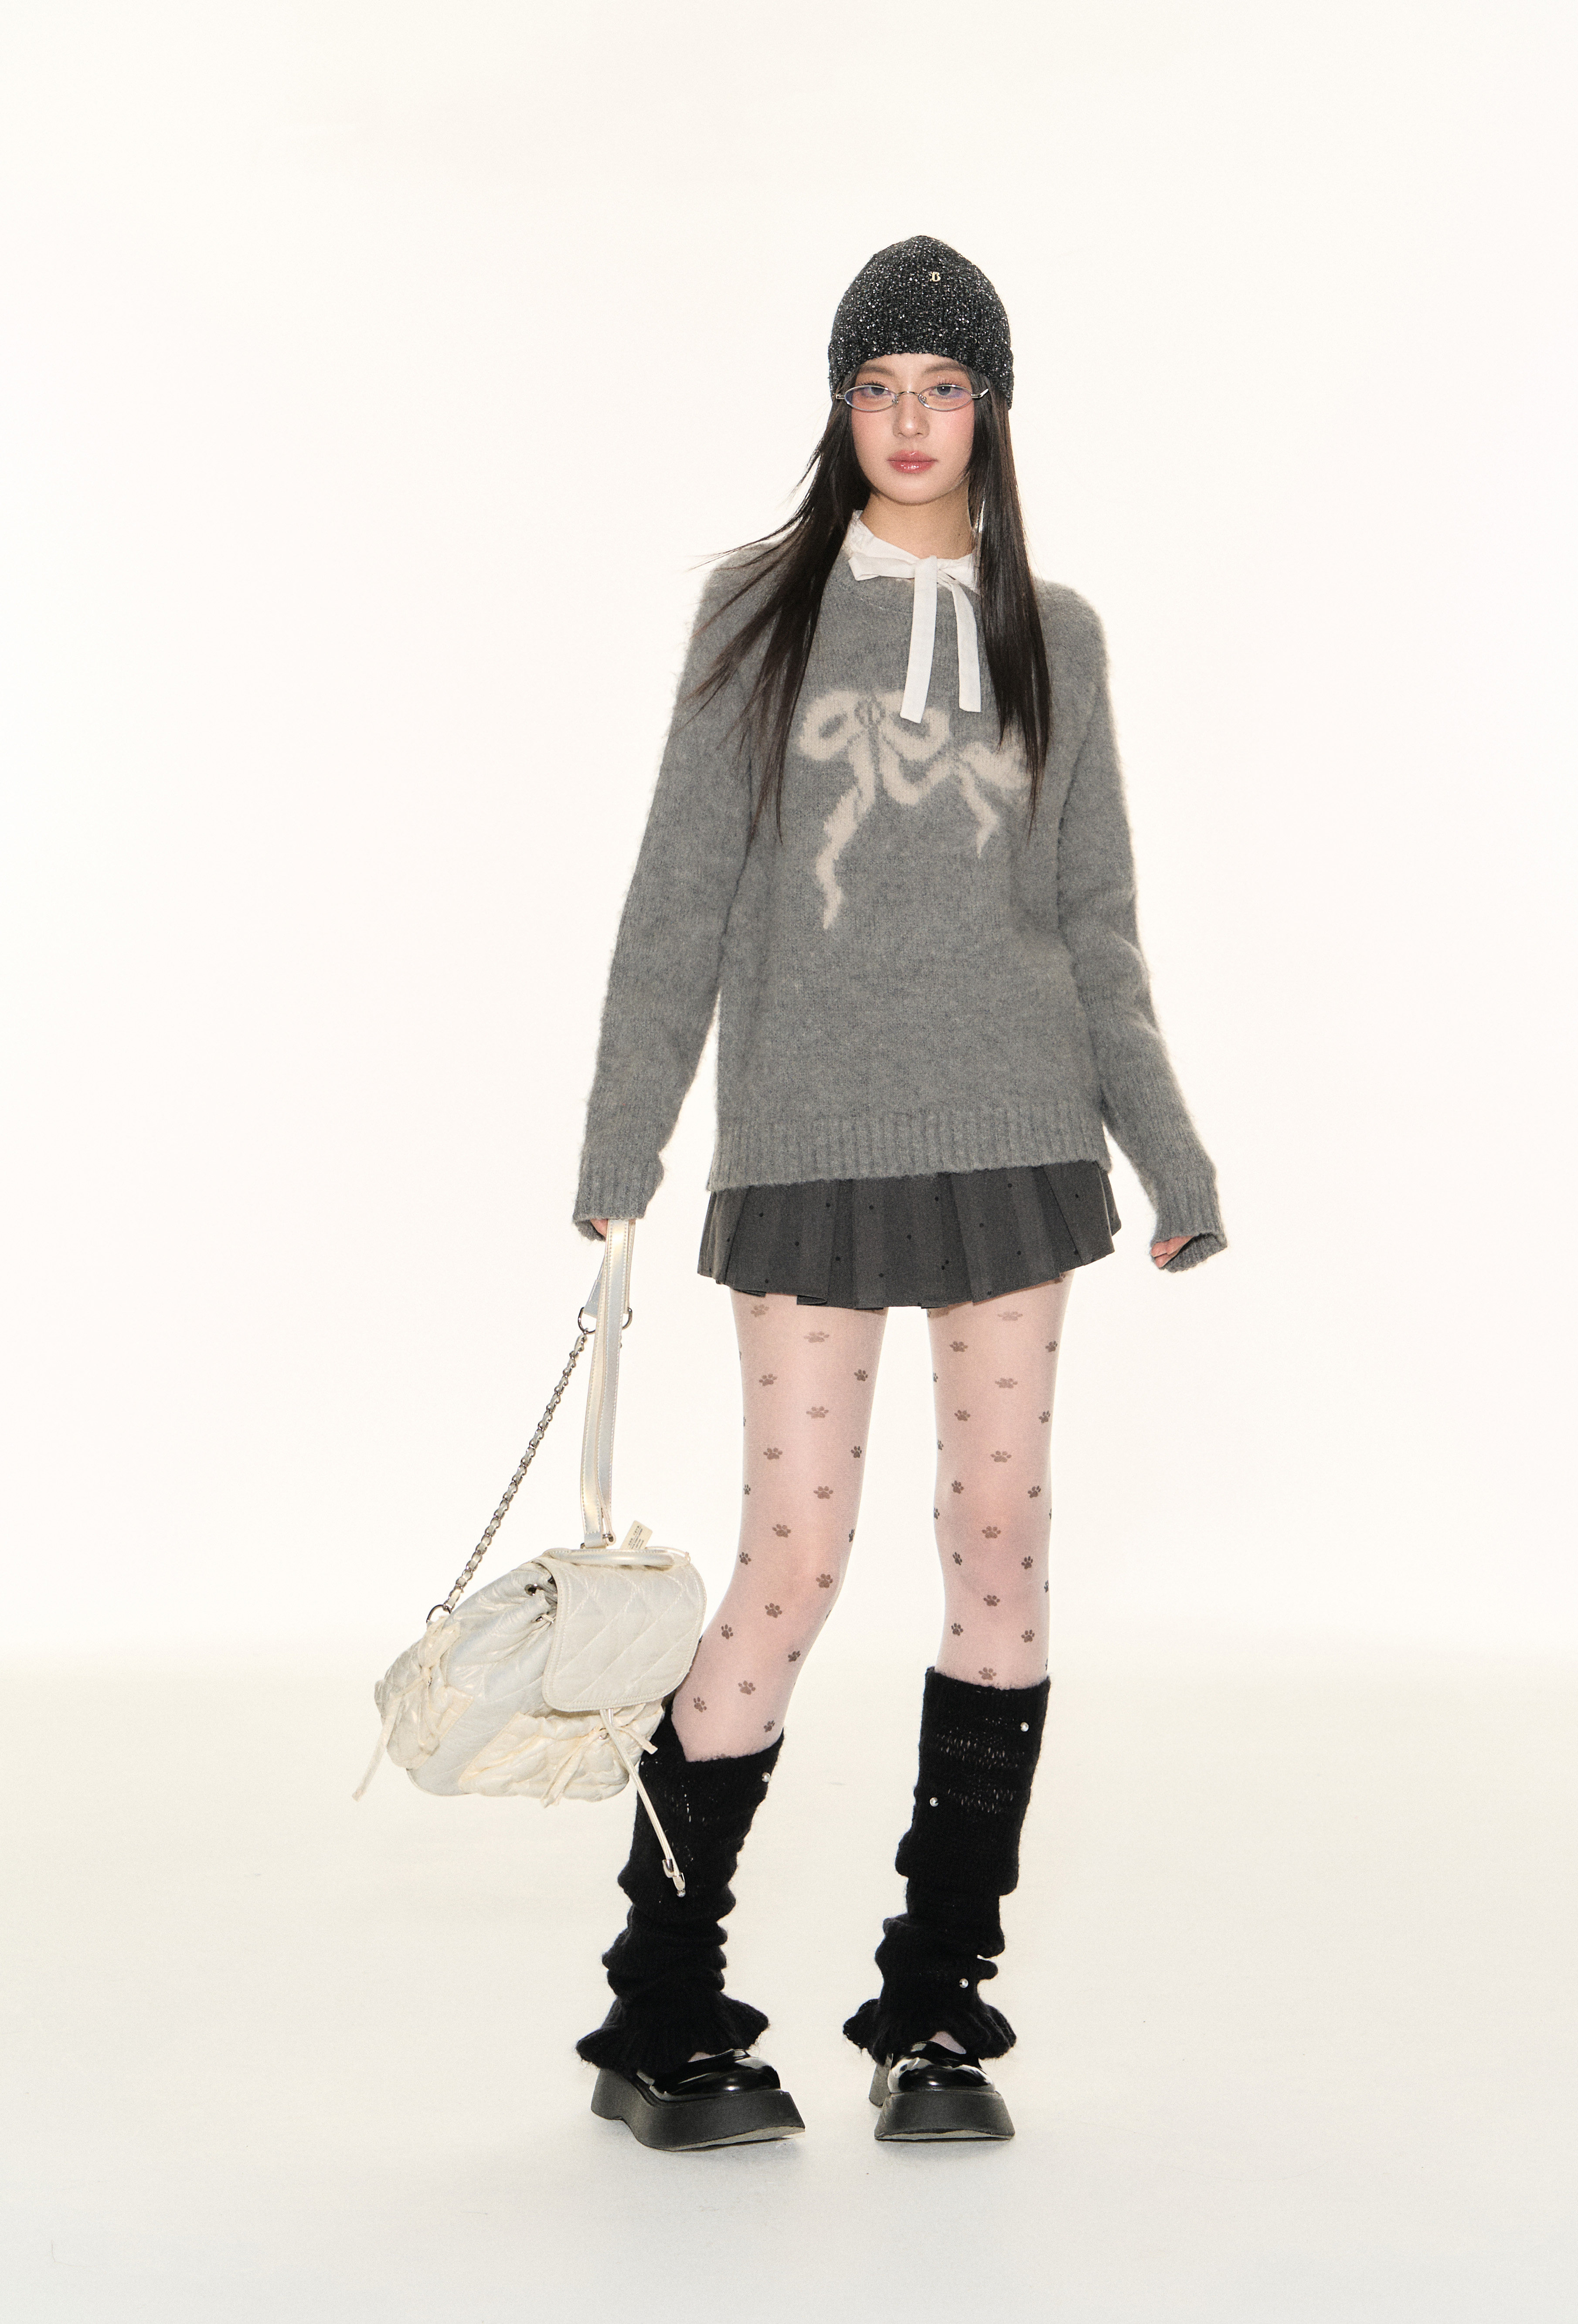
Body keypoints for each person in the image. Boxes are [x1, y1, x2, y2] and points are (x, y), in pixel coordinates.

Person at [568, 234, 1226, 2151]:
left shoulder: (1057, 635)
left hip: (1018, 1139)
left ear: (991, 412)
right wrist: (620, 1144)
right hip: (810, 1145)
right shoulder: (760, 614)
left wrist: (1170, 1151)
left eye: (945, 390)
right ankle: (660, 2006)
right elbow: (678, 892)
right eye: (879, 388)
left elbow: (1096, 920)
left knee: (1001, 1535)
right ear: (840, 409)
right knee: (794, 1553)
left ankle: (935, 2007)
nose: (912, 422)